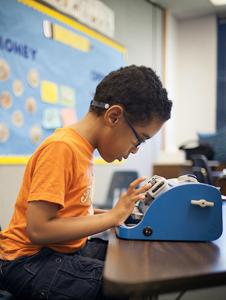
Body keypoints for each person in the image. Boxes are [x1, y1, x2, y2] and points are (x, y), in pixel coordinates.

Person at [0, 65, 172, 300]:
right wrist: (111, 218)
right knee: (125, 284)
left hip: (58, 250)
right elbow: (38, 229)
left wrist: (116, 214)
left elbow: (73, 212)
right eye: (139, 139)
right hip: (28, 259)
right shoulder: (62, 148)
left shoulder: (82, 149)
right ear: (113, 116)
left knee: (129, 260)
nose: (135, 150)